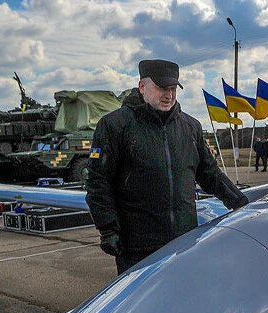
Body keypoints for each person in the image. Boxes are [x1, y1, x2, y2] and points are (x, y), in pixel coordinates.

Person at [85, 59, 249, 273]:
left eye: (173, 89)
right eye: (162, 88)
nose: (169, 95)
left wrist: (241, 202)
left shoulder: (190, 127)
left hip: (184, 241)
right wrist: (108, 229)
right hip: (138, 246)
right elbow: (98, 181)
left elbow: (210, 174)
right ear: (142, 87)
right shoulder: (114, 126)